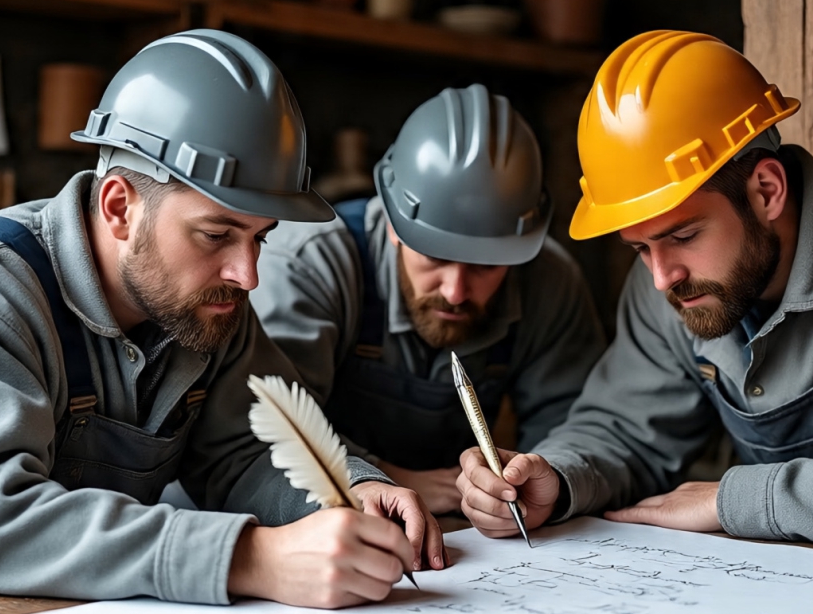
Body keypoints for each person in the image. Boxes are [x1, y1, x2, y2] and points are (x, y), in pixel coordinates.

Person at [0, 29, 445, 608]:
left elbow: (246, 451)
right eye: (216, 234)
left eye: (260, 239)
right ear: (120, 207)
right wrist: (248, 558)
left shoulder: (206, 303)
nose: (247, 275)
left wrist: (346, 487)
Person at [457, 30, 813, 557]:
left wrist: (732, 502)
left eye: (684, 236)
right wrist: (554, 478)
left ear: (766, 190)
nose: (661, 277)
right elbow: (626, 430)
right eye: (639, 248)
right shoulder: (674, 280)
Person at [249, 84, 606, 514]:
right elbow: (260, 434)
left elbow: (577, 424)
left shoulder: (549, 280)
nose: (455, 291)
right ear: (394, 224)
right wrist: (380, 477)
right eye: (435, 255)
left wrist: (538, 482)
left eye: (486, 265)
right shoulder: (309, 262)